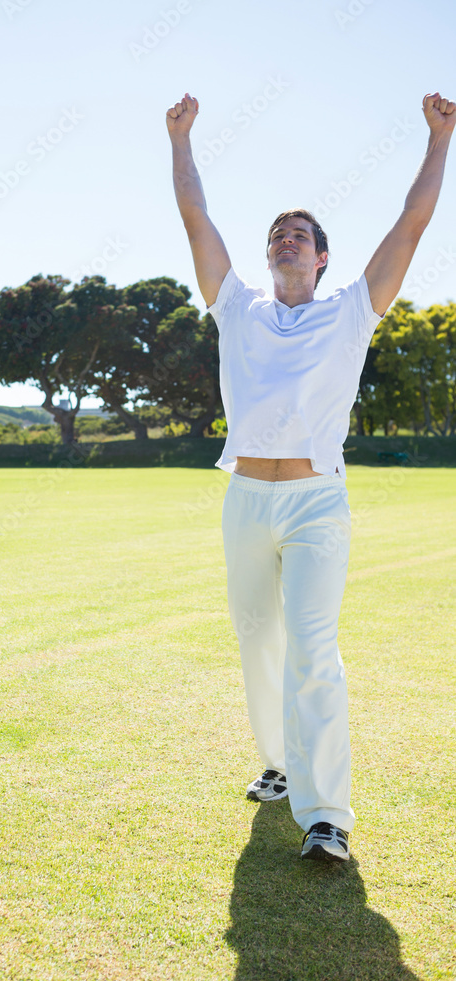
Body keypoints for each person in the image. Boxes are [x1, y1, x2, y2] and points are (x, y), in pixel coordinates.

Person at [166, 90, 454, 861]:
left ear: (321, 256)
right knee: (257, 642)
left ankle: (325, 816)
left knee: (312, 650)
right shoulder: (237, 309)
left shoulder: (352, 311)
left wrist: (438, 140)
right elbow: (195, 218)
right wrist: (180, 140)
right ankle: (277, 764)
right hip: (244, 500)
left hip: (314, 503)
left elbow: (411, 223)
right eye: (276, 235)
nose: (285, 240)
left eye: (299, 234)